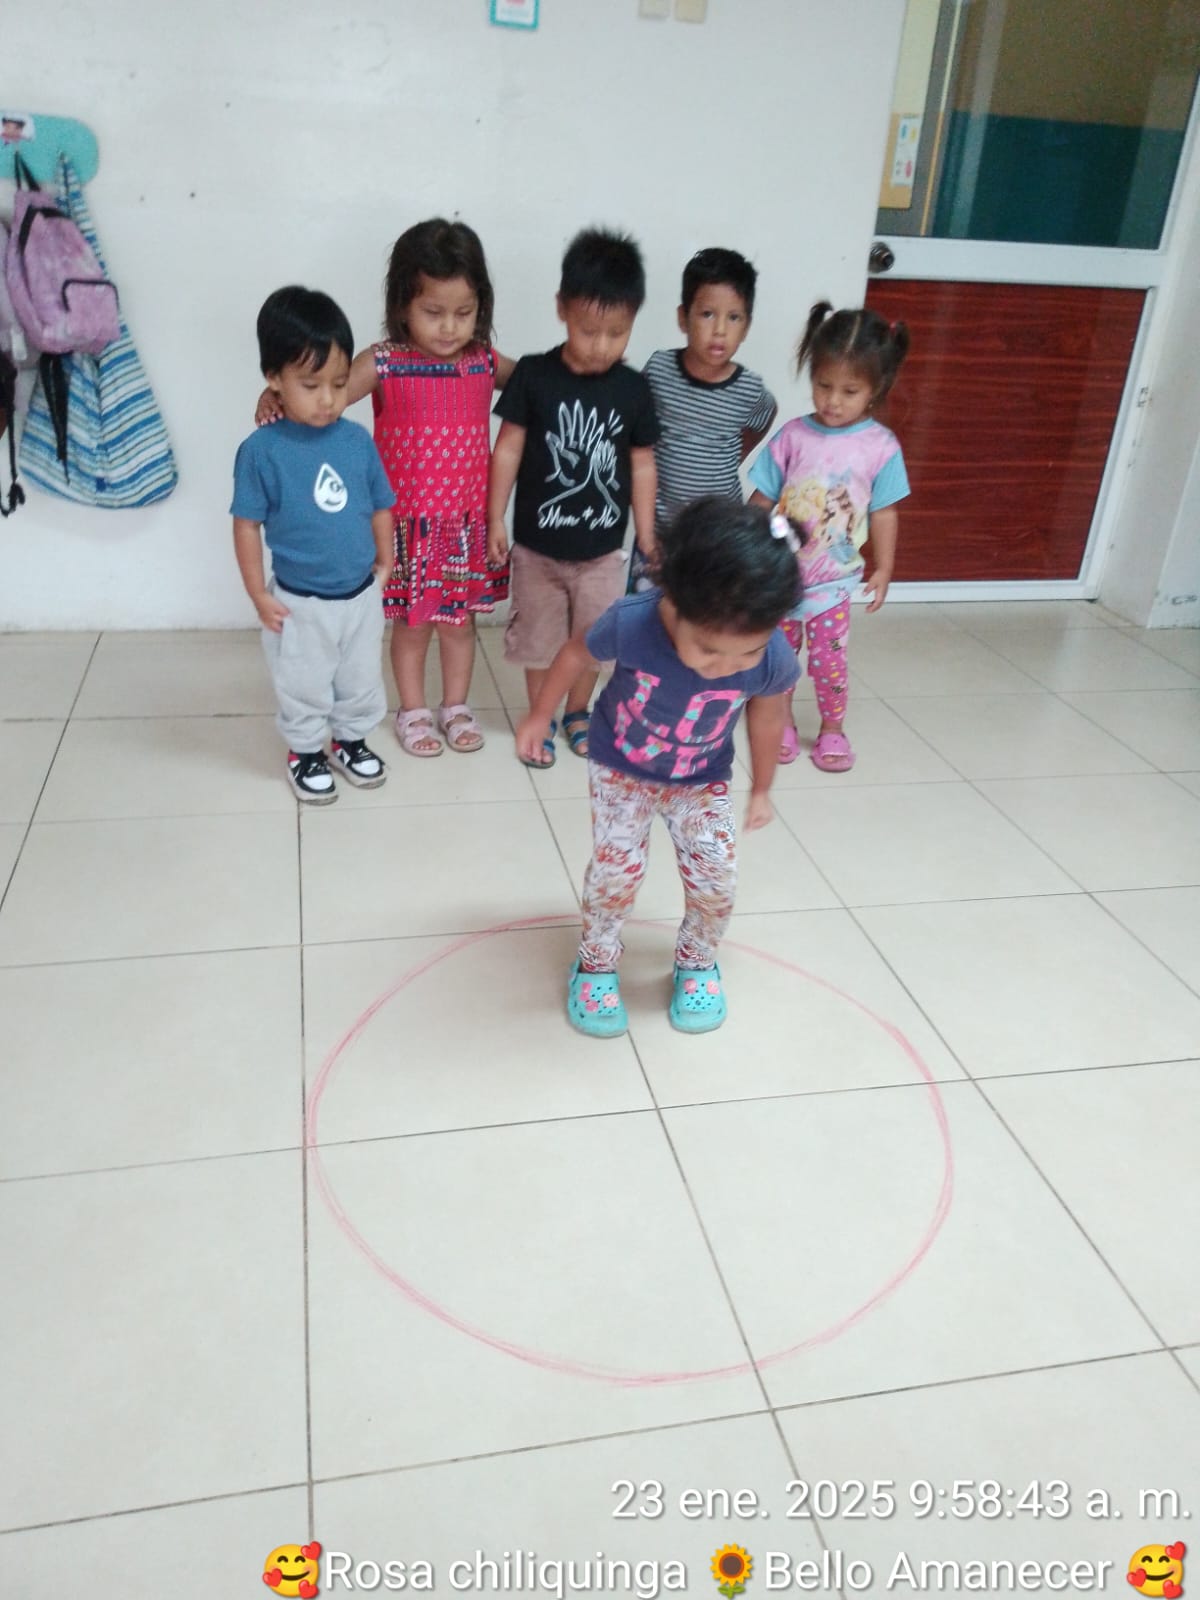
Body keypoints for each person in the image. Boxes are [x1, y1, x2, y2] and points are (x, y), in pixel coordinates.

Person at [515, 497, 801, 1037]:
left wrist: (763, 787)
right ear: (674, 602)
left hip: (702, 779)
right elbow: (576, 654)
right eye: (709, 651)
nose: (726, 669)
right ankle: (595, 963)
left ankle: (697, 960)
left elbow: (767, 715)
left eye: (745, 655)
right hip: (621, 768)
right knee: (615, 875)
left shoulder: (771, 654)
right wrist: (539, 716)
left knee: (717, 878)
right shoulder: (632, 622)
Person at [257, 219, 512, 758]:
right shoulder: (385, 362)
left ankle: (456, 706)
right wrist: (277, 395)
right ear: (402, 305)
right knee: (412, 627)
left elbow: (539, 382)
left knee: (459, 625)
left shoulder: (484, 363)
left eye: (463, 313)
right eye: (433, 312)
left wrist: (580, 370)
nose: (449, 327)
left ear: (480, 308)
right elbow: (326, 395)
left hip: (462, 528)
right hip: (405, 528)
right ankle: (413, 710)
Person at [488, 227, 659, 766]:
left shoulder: (633, 390)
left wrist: (647, 533)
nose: (601, 345)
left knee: (593, 640)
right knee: (540, 642)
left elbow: (642, 463)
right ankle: (540, 714)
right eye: (589, 331)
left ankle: (578, 711)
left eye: (617, 333)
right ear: (562, 308)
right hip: (537, 551)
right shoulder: (534, 375)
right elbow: (507, 450)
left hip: (602, 554)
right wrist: (495, 517)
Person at [232, 287, 394, 803]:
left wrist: (386, 559)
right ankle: (304, 751)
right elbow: (246, 525)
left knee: (360, 678)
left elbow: (380, 503)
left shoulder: (356, 441)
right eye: (311, 385)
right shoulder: (261, 451)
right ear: (274, 378)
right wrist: (258, 593)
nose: (328, 399)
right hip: (299, 602)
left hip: (360, 595)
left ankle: (351, 741)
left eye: (339, 383)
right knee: (303, 683)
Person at [749, 302, 910, 773]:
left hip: (833, 584)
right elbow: (762, 499)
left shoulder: (881, 447)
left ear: (876, 387)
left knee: (829, 663)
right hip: (781, 578)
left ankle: (832, 729)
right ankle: (780, 720)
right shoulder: (792, 436)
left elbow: (884, 512)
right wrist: (741, 548)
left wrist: (885, 567)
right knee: (779, 657)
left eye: (849, 391)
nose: (833, 401)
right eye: (823, 385)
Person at [630, 247, 776, 593]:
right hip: (660, 529)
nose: (720, 330)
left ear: (747, 326)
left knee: (706, 611)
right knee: (646, 611)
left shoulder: (749, 388)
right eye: (707, 314)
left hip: (718, 534)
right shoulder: (659, 370)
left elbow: (764, 416)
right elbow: (638, 428)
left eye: (734, 317)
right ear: (683, 318)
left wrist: (737, 454)